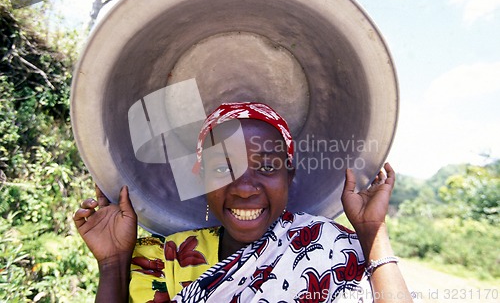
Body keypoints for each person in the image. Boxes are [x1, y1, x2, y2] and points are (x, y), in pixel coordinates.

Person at [74, 102, 413, 302]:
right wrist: (113, 264)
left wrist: (373, 234)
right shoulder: (163, 260)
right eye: (223, 167)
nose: (244, 187)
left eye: (267, 166)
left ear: (289, 176)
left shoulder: (329, 246)